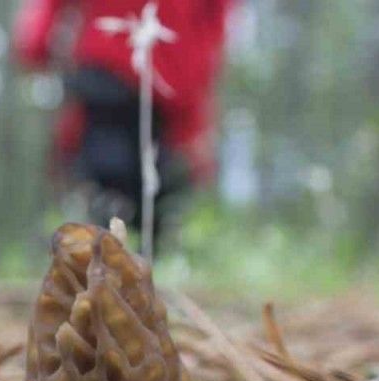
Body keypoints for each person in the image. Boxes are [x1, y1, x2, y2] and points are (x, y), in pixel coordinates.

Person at [14, 0, 232, 244]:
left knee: (127, 198)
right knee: (133, 200)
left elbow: (214, 25)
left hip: (130, 85)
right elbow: (214, 28)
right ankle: (117, 251)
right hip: (150, 86)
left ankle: (117, 250)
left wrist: (36, 44)